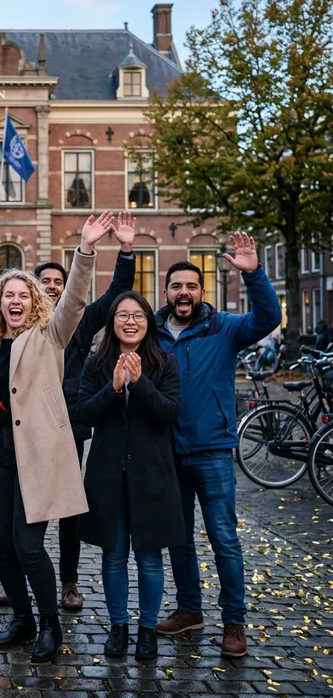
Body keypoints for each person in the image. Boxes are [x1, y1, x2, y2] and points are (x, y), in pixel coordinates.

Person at [0, 212, 112, 663]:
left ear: (33, 302)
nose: (15, 301)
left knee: (28, 545)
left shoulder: (49, 336)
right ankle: (23, 619)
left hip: (38, 457)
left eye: (22, 295)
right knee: (0, 545)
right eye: (8, 295)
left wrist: (84, 250)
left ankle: (50, 622)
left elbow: (73, 300)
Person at [0, 211, 137, 611]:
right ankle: (19, 577)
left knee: (66, 510)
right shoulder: (11, 330)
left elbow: (111, 297)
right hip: (22, 431)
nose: (55, 287)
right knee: (20, 508)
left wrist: (124, 252)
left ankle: (69, 582)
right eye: (47, 282)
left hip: (68, 425)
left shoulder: (73, 323)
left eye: (60, 281)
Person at [154, 233, 282, 658]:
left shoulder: (224, 327)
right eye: (176, 286)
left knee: (224, 536)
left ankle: (234, 623)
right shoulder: (152, 332)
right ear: (166, 291)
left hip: (212, 450)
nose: (184, 293)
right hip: (168, 451)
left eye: (191, 286)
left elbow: (267, 318)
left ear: (201, 291)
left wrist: (254, 274)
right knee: (179, 538)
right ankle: (190, 609)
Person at [75, 292, 182, 660]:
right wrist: (114, 386)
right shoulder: (96, 364)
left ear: (148, 321)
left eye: (137, 315)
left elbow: (169, 414)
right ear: (112, 323)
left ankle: (147, 629)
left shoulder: (165, 362)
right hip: (108, 474)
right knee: (114, 555)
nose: (130, 321)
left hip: (152, 474)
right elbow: (84, 413)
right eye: (122, 315)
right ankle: (119, 626)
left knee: (150, 559)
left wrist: (140, 384)